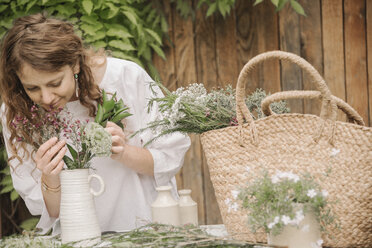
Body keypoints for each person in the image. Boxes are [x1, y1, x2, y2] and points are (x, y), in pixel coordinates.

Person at [0, 13, 191, 234]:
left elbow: (170, 159)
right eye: (32, 88)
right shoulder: (18, 112)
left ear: (74, 65)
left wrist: (123, 152)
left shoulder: (125, 77)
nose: (46, 97)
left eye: (55, 83)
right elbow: (49, 212)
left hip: (146, 230)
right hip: (78, 236)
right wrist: (49, 178)